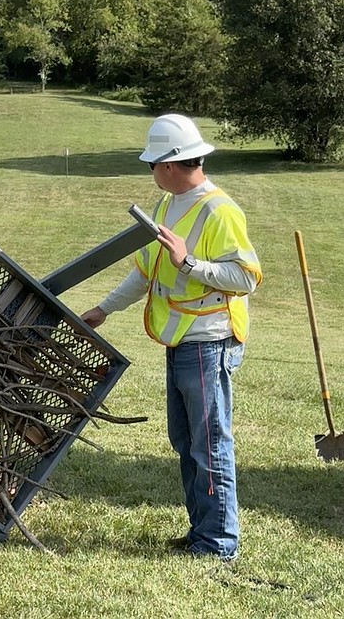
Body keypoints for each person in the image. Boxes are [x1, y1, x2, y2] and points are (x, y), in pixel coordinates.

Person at [81, 114, 262, 562]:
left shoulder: (220, 210)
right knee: (186, 441)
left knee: (209, 442)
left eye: (153, 163)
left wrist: (189, 264)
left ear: (171, 163)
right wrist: (104, 309)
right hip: (180, 339)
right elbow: (144, 272)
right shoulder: (164, 207)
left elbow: (245, 277)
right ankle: (201, 532)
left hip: (208, 340)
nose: (151, 171)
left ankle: (219, 543)